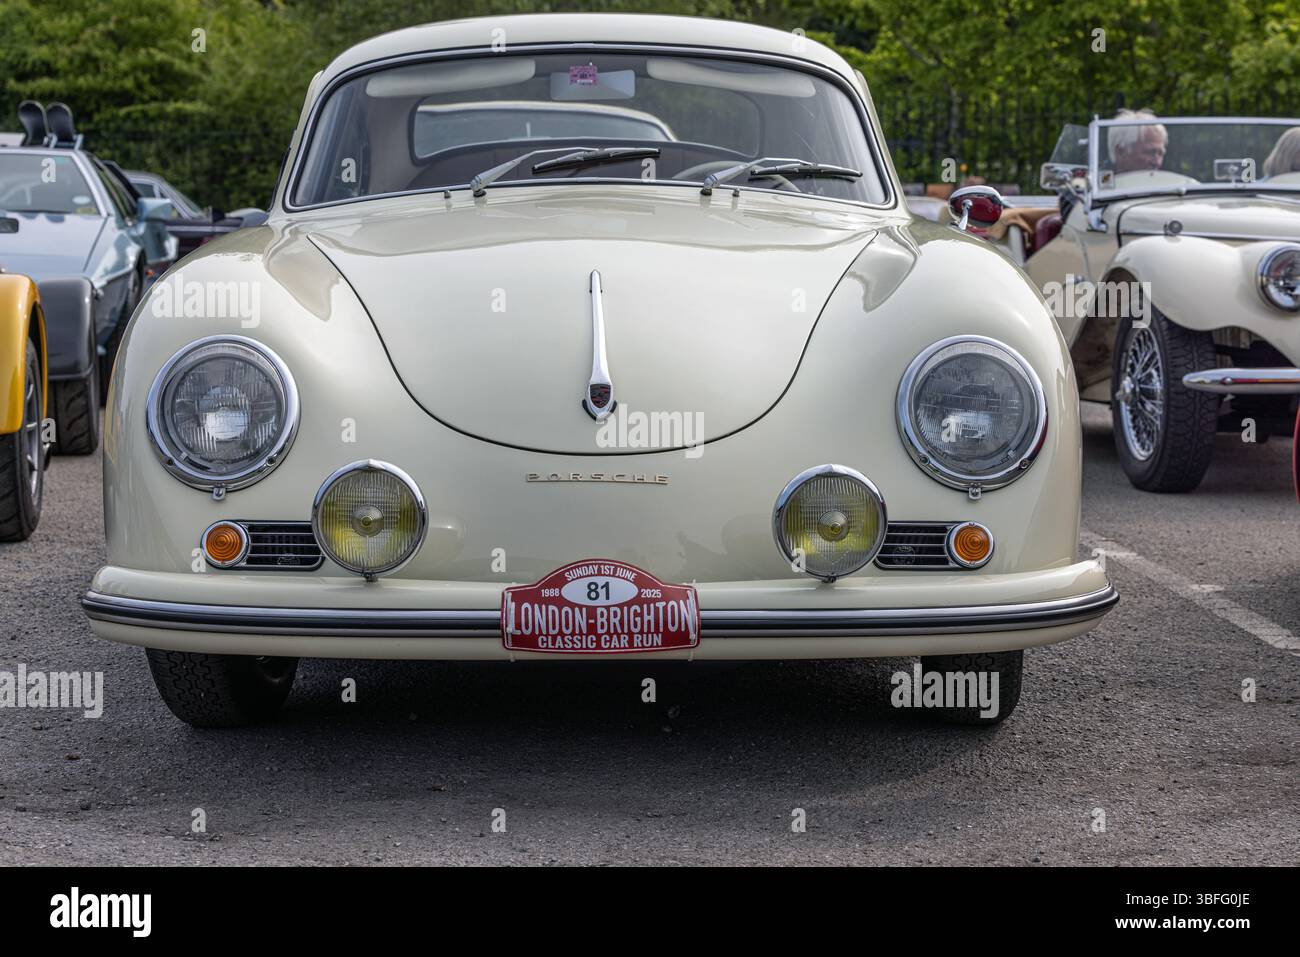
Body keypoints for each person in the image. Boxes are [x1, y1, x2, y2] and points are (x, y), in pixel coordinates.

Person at [1108, 108, 1168, 173]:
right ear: (1120, 152)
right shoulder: (1098, 181)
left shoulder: (1173, 182)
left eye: (1160, 154)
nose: (1157, 162)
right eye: (1150, 152)